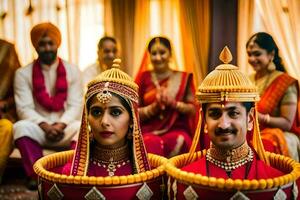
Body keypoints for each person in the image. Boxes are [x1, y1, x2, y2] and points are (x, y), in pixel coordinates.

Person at [166, 47, 299, 199]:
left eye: (233, 113)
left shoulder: (277, 183)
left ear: (249, 119)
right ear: (204, 121)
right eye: (215, 114)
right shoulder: (183, 181)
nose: (224, 124)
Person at [33, 59, 166, 199]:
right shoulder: (71, 174)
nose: (104, 122)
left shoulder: (149, 175)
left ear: (132, 120)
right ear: (86, 118)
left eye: (115, 112)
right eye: (96, 112)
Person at [13, 22, 83, 189]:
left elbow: (76, 105)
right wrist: (45, 126)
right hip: (39, 128)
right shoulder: (22, 74)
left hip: (65, 128)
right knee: (20, 127)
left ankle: (69, 172)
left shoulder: (73, 71)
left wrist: (60, 124)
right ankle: (35, 175)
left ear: (57, 44)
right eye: (42, 44)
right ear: (35, 46)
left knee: (83, 127)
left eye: (50, 43)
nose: (47, 48)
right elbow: (24, 108)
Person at [135, 36, 197, 158]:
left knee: (179, 140)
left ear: (170, 54)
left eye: (162, 52)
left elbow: (192, 110)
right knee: (149, 143)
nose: (158, 57)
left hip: (176, 129)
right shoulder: (143, 78)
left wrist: (173, 103)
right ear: (149, 55)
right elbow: (133, 112)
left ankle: (176, 177)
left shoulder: (183, 78)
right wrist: (154, 108)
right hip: (148, 130)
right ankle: (152, 177)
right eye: (154, 53)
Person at [246, 32, 300, 161]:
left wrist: (261, 118)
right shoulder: (246, 80)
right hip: (250, 130)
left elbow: (287, 123)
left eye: (257, 54)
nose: (252, 59)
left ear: (271, 54)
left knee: (263, 144)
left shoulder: (285, 82)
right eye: (249, 54)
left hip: (279, 134)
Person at [0, 39, 21, 183]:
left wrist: (5, 103)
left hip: (2, 114)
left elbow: (19, 91)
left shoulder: (7, 50)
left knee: (7, 128)